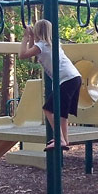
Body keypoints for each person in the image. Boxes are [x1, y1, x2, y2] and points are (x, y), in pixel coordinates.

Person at [19, 19, 82, 151]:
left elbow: (23, 55)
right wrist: (31, 37)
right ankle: (65, 139)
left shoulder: (41, 46)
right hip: (74, 77)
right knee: (62, 113)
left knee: (48, 109)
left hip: (66, 79)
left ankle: (60, 139)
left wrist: (25, 38)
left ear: (37, 31)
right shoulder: (52, 44)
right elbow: (32, 50)